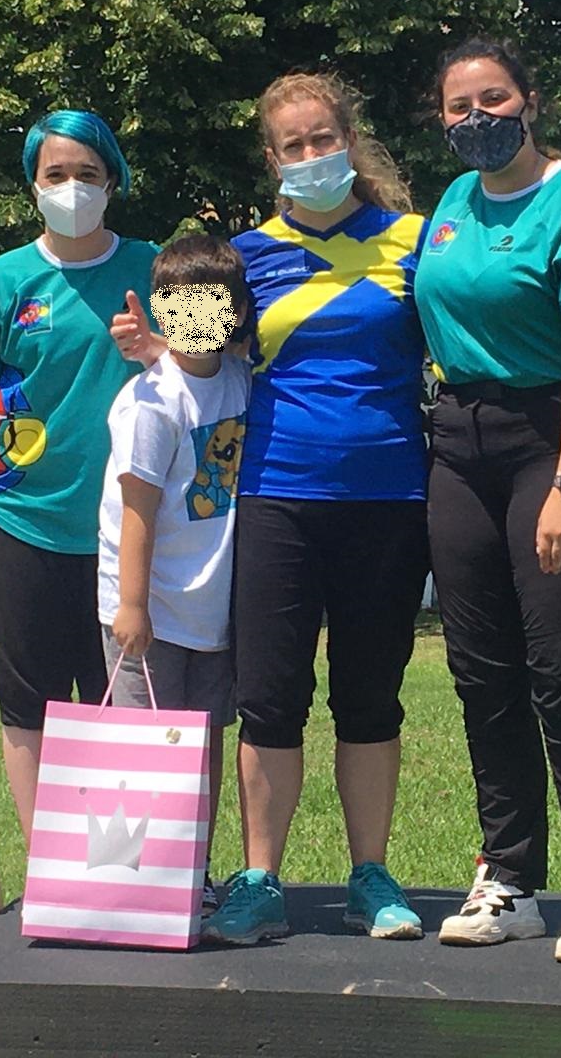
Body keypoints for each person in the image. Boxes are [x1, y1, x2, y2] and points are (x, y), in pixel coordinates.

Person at [113, 73, 430, 945]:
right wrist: (156, 348)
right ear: (272, 159)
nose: (312, 155)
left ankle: (372, 877)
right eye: (294, 146)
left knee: (371, 700)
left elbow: (472, 331)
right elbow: (202, 355)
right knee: (269, 701)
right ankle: (259, 880)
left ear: (350, 141)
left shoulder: (415, 242)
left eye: (324, 139)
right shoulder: (247, 257)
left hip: (390, 500)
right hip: (275, 501)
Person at [413, 38, 561, 966]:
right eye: (458, 106)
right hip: (459, 443)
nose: (477, 119)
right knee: (482, 673)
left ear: (531, 102)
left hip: (557, 442)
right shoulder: (452, 205)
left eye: (494, 99)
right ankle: (508, 877)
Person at [0, 109, 156, 844]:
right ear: (33, 185)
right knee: (30, 705)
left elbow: (217, 363)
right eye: (56, 174)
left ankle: (130, 867)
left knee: (125, 704)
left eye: (88, 174)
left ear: (113, 182)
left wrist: (155, 346)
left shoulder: (157, 266)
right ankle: (51, 868)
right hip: (25, 521)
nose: (73, 188)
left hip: (134, 530)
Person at [96, 235, 251, 915]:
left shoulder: (241, 380)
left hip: (212, 610)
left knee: (201, 750)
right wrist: (132, 607)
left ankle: (192, 875)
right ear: (163, 310)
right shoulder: (150, 403)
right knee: (142, 754)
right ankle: (130, 886)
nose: (197, 319)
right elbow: (136, 511)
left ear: (234, 312)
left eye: (211, 304)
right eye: (180, 306)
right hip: (150, 609)